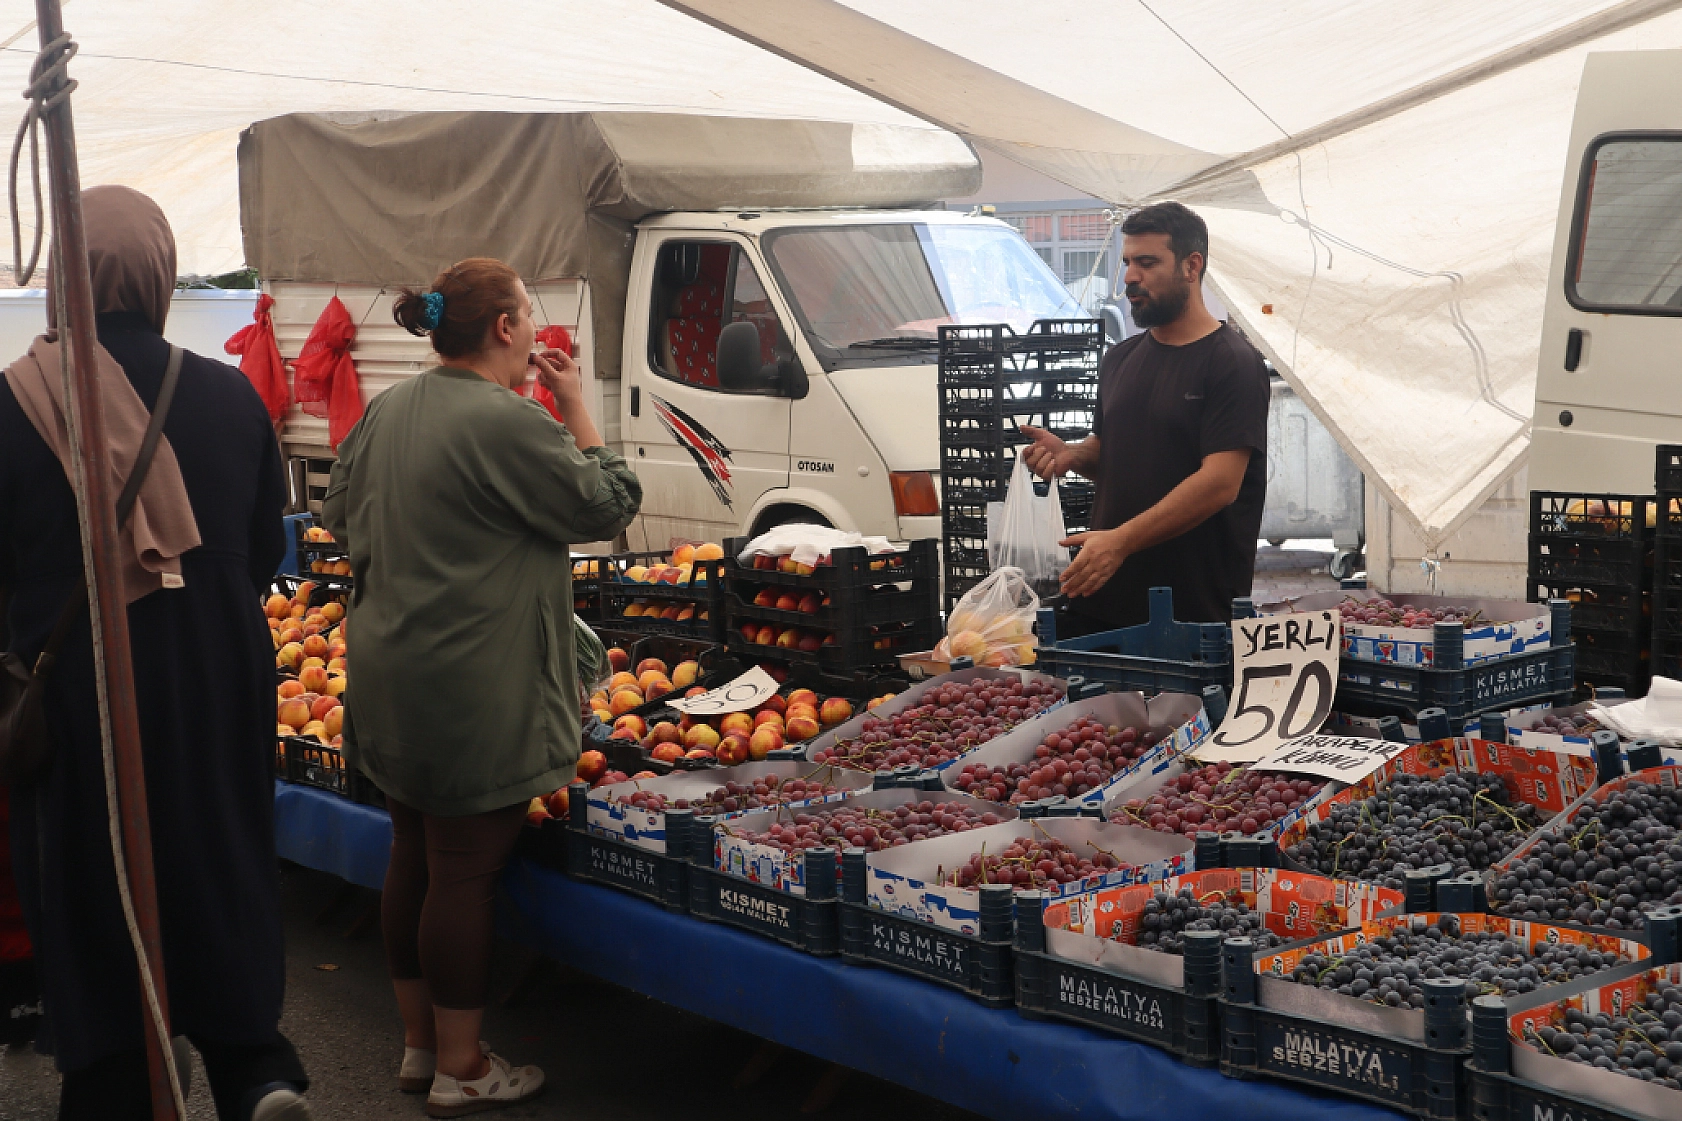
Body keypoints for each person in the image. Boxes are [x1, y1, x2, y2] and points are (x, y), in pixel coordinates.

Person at [0, 186, 310, 1119]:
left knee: (94, 869)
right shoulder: (228, 393)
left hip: (82, 685)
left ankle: (114, 1076)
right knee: (217, 852)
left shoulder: (12, 403)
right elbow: (261, 547)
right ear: (161, 272)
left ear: (64, 277)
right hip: (217, 672)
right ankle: (253, 1069)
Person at [322, 257, 641, 1117]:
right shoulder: (509, 420)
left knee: (412, 853)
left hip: (389, 673)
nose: (534, 326)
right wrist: (576, 406)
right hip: (475, 688)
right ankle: (462, 1066)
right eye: (528, 312)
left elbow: (338, 514)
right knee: (463, 872)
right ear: (504, 327)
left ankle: (421, 1045)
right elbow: (607, 505)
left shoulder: (389, 409)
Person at [1021, 201, 1269, 633]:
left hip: (1191, 614)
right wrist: (1073, 456)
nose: (1130, 277)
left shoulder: (1231, 362)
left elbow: (1220, 483)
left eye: (1147, 263)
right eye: (1128, 263)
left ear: (1191, 266)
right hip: (1103, 599)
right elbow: (1114, 452)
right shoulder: (1120, 359)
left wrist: (1119, 542)